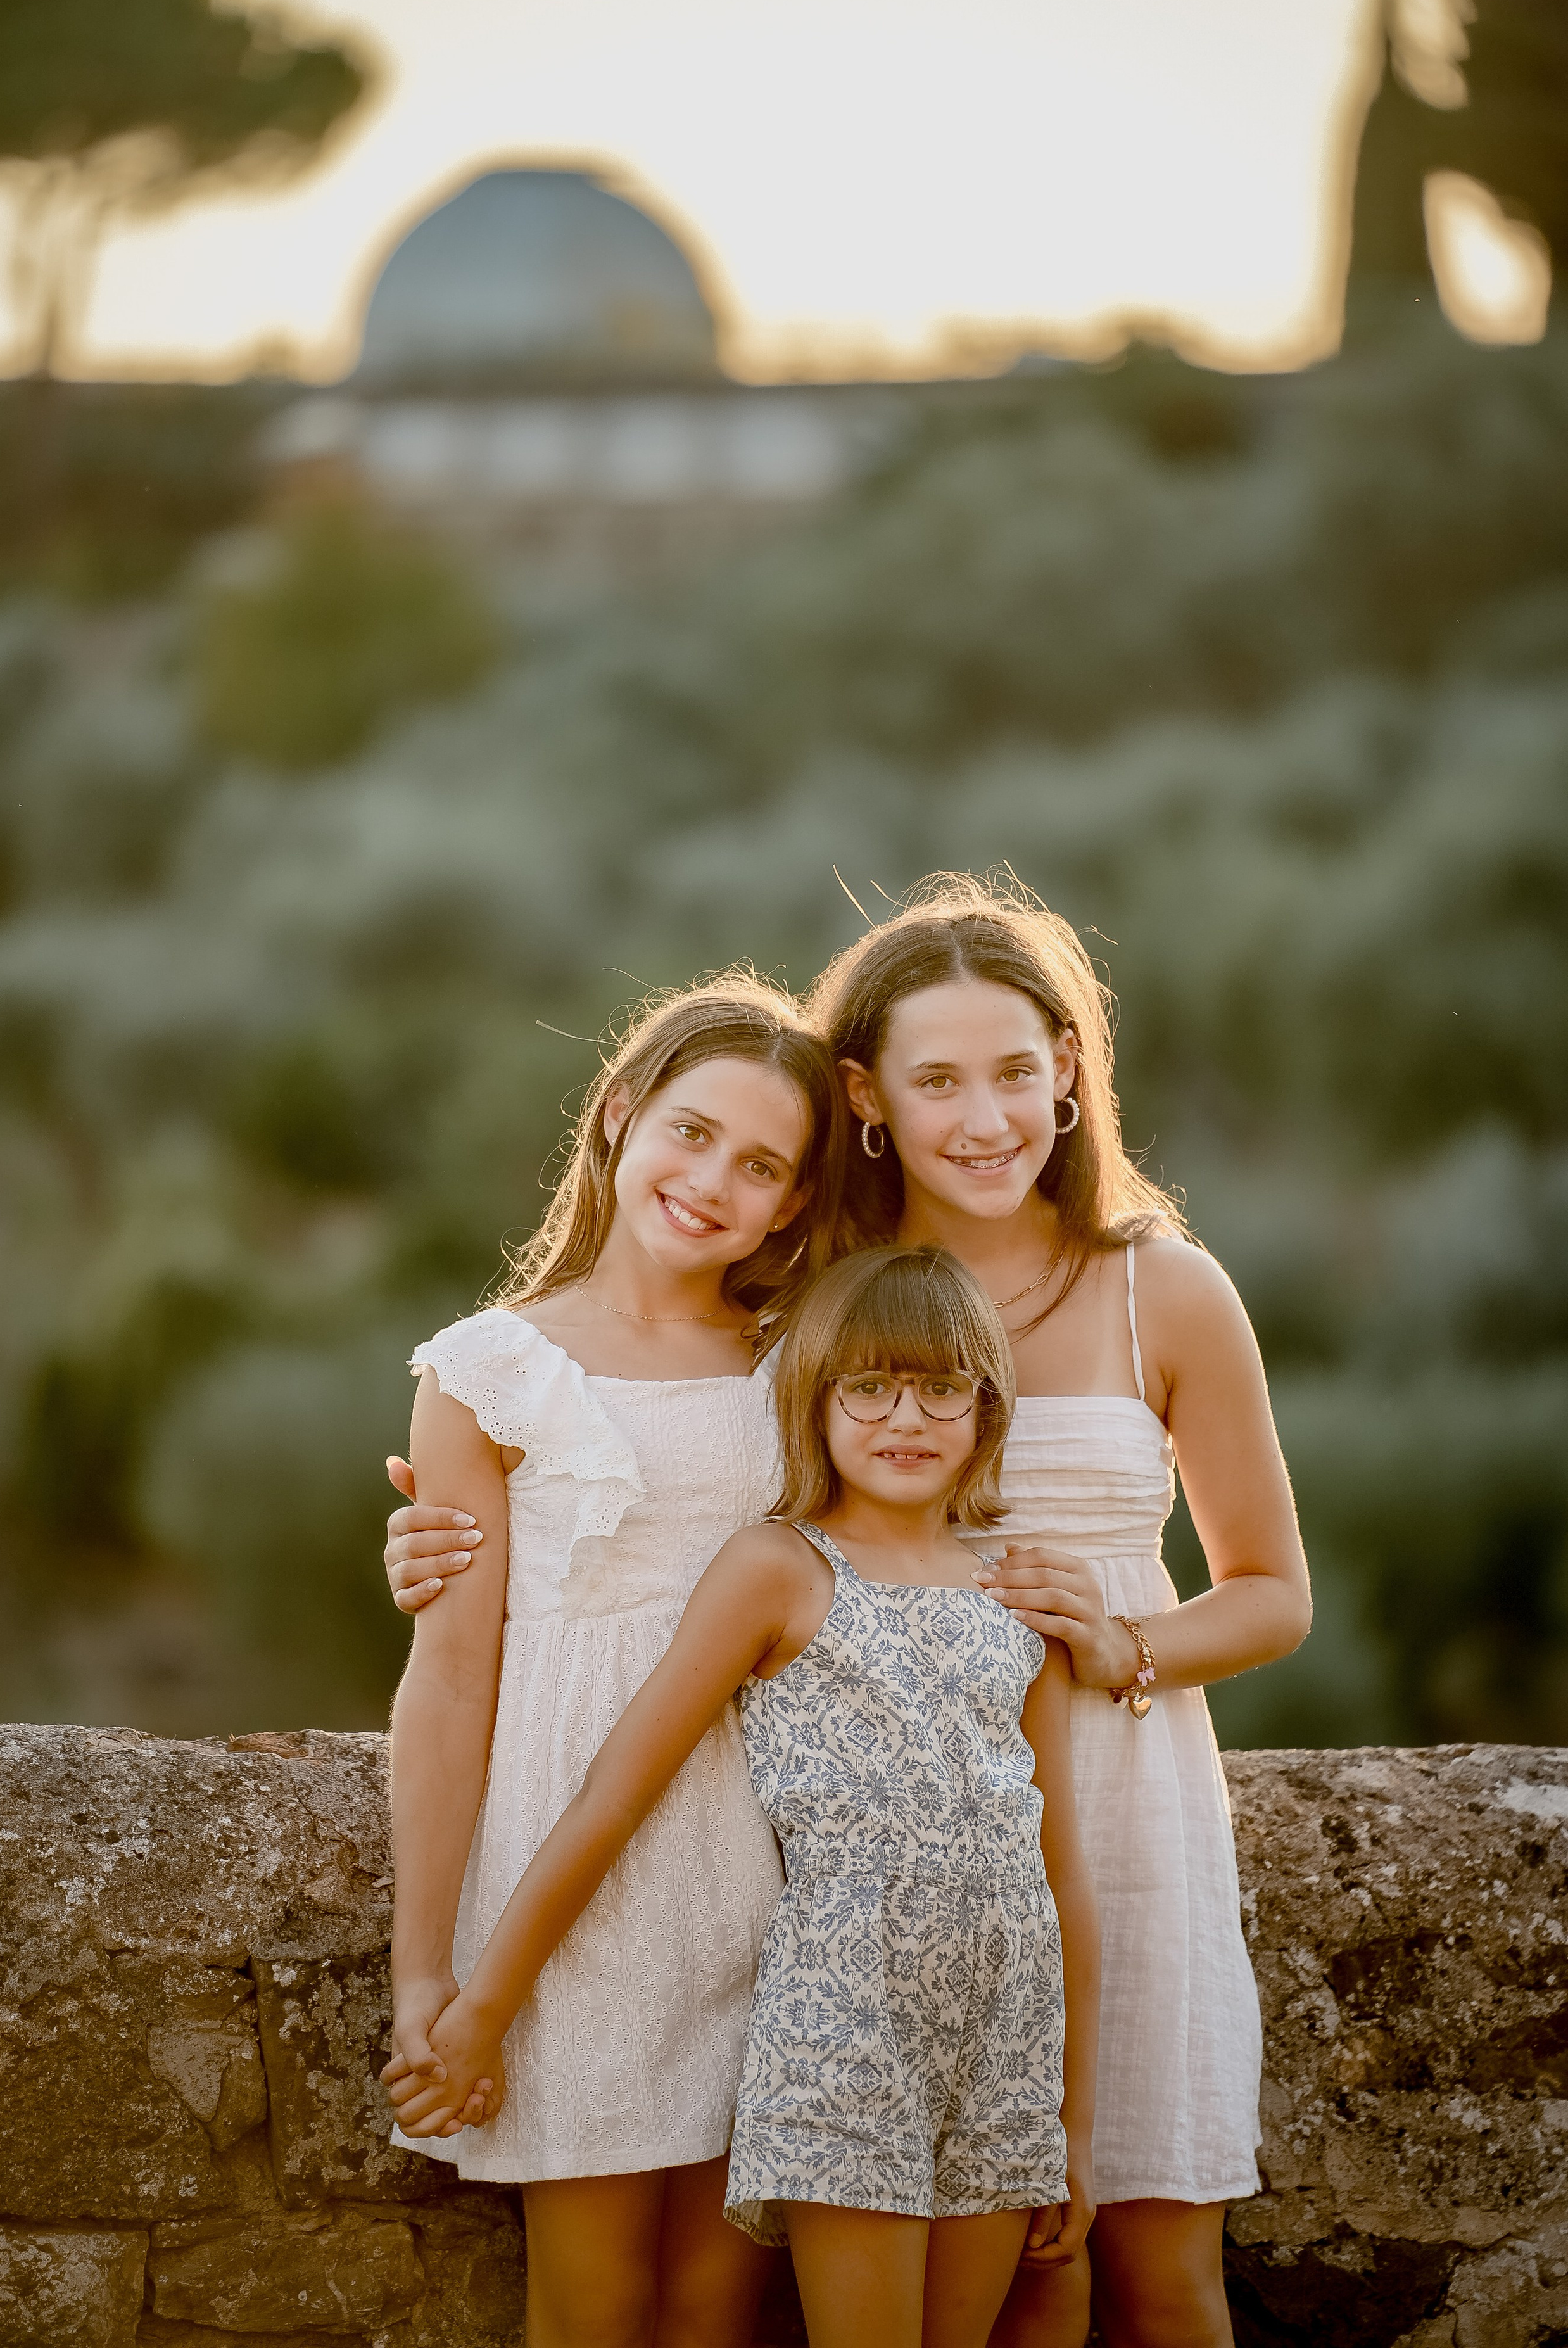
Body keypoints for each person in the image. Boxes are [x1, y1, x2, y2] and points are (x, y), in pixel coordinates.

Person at [386, 877, 1312, 2348]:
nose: (984, 1114)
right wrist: (456, 1532)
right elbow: (674, 1471)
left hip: (1111, 1792)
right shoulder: (831, 1301)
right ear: (870, 1099)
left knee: (1144, 2265)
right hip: (852, 1849)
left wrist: (1123, 1643)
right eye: (935, 1078)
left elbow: (1272, 1593)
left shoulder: (1162, 1288)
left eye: (1016, 1069)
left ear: (1072, 1069)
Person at [386, 1246, 1099, 2348]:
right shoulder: (780, 1568)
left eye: (941, 1387)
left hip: (1004, 2048)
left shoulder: (1018, 1594)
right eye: (868, 1387)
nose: (905, 1417)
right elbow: (611, 1799)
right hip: (841, 2027)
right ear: (813, 1406)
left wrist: (1073, 2133)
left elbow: (1062, 1878)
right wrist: (478, 2009)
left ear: (987, 1407)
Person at [381, 978, 847, 2348]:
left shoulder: (799, 1367)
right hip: (558, 1881)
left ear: (791, 1207)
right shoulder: (489, 1373)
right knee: (593, 2303)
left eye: (759, 1166)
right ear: (619, 1116)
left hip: (760, 1864)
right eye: (691, 1134)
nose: (712, 1182)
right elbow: (453, 1680)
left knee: (718, 2308)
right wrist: (425, 1972)